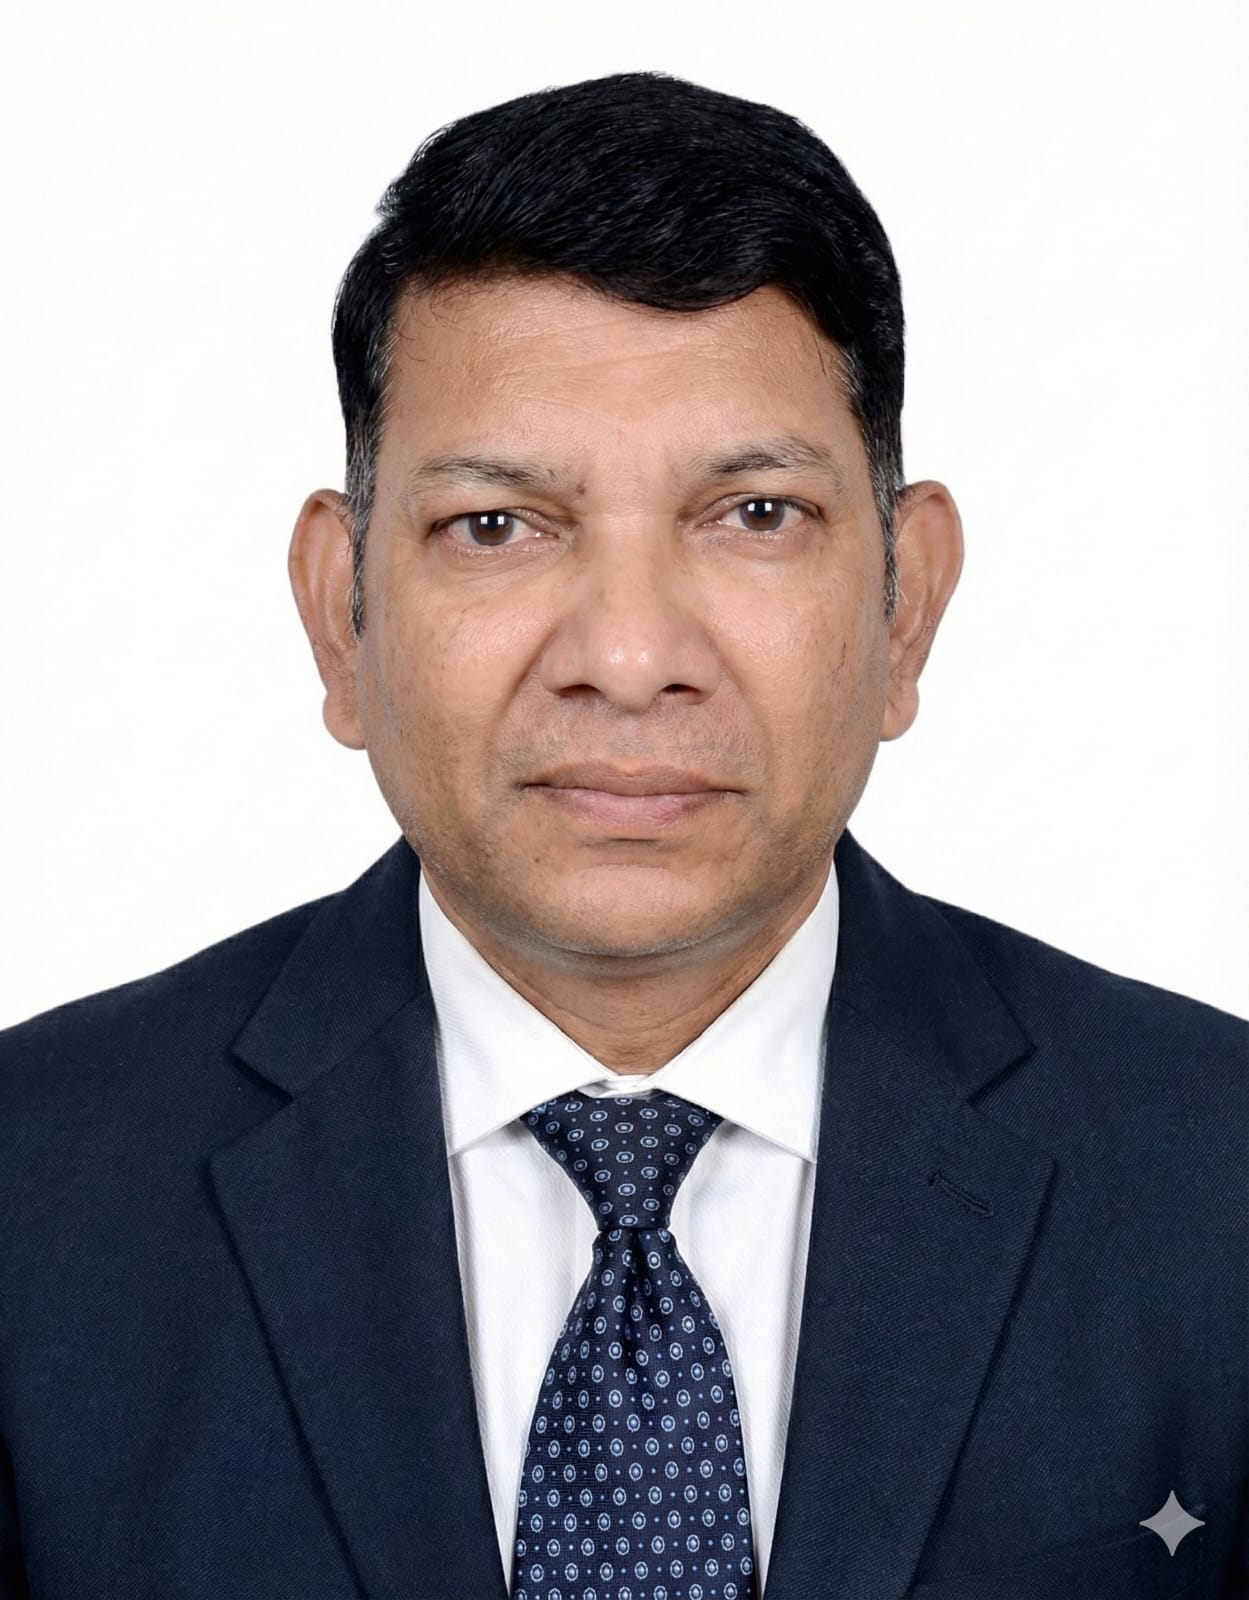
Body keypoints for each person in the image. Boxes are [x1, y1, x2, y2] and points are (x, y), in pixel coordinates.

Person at [0, 69, 1243, 1600]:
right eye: (497, 526)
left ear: (905, 604)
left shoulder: (1218, 1180)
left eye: (755, 514)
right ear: (340, 614)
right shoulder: (31, 1197)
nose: (631, 655)